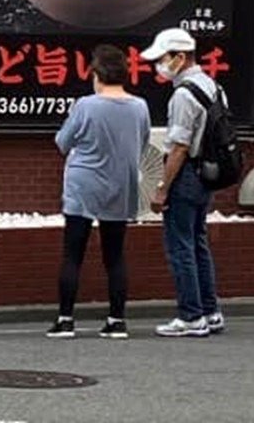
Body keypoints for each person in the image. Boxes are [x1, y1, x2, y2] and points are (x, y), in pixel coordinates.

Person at [46, 45, 149, 340]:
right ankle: (116, 320)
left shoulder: (85, 105)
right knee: (114, 255)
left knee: (73, 253)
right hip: (121, 184)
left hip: (83, 184)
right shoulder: (140, 107)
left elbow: (62, 142)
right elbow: (142, 144)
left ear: (96, 74)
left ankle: (66, 319)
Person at [143, 27, 225, 337]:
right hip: (207, 174)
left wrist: (162, 188)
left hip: (186, 173)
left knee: (181, 247)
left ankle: (191, 316)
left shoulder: (183, 95)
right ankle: (210, 311)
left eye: (163, 58)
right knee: (198, 243)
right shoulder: (213, 86)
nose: (159, 66)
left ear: (180, 57)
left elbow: (179, 147)